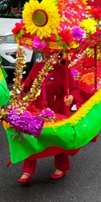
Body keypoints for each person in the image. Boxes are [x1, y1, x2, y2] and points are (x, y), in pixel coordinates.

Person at [17, 55, 80, 184]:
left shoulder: (64, 71)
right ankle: (27, 171)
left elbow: (74, 89)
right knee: (31, 136)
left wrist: (71, 98)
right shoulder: (36, 67)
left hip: (56, 111)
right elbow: (28, 84)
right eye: (45, 53)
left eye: (51, 53)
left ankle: (62, 167)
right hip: (36, 109)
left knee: (56, 138)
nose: (47, 56)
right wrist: (21, 86)